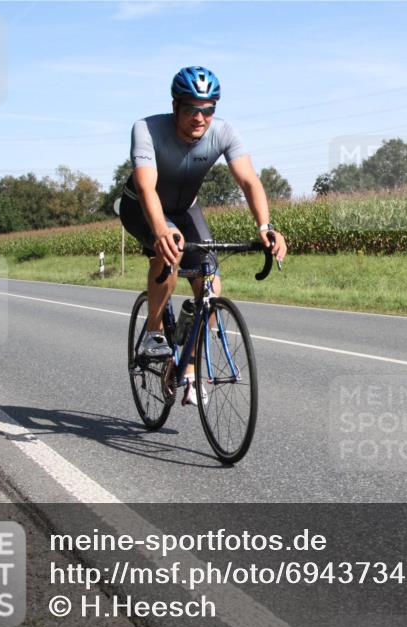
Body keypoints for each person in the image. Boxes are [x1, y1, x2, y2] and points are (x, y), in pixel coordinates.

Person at [119, 66, 286, 405]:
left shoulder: (224, 132)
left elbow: (249, 182)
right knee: (171, 250)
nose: (201, 117)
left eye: (209, 109)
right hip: (142, 207)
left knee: (211, 284)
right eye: (192, 108)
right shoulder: (147, 128)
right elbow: (146, 186)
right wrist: (161, 229)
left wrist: (265, 227)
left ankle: (189, 368)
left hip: (185, 208)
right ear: (175, 105)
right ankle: (154, 332)